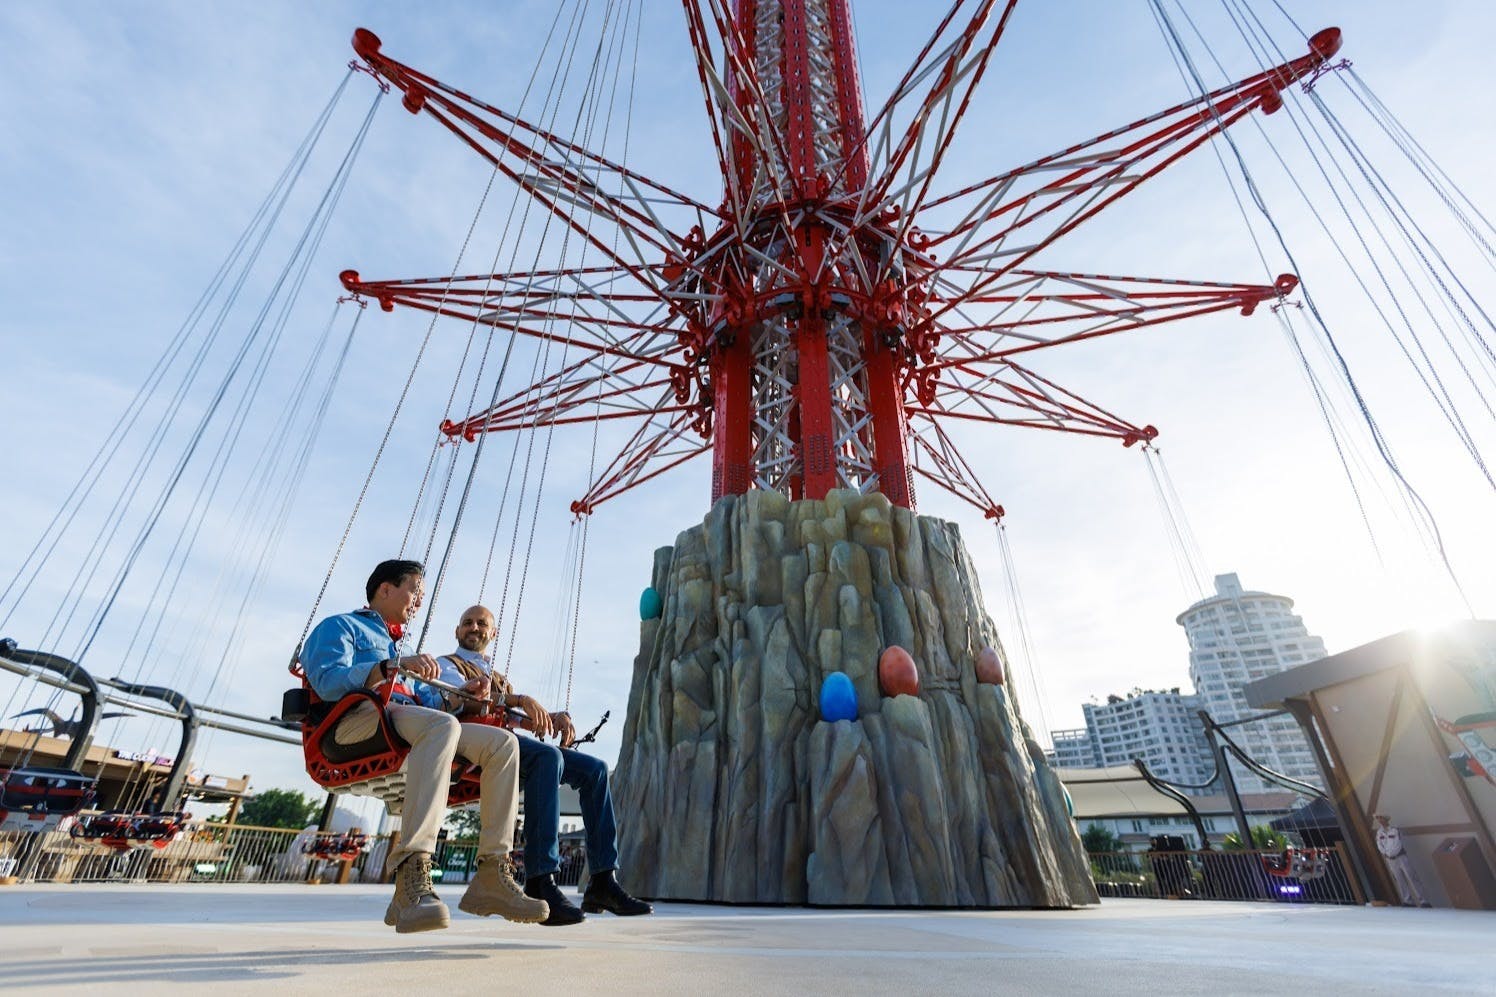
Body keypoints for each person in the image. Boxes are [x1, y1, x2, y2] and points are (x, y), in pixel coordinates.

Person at [300, 560, 549, 932]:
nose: (418, 601)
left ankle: (492, 874)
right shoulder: (340, 627)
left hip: (405, 722)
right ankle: (411, 873)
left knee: (502, 745)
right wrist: (383, 669)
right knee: (441, 727)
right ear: (385, 589)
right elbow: (326, 680)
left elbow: (428, 708)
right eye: (414, 590)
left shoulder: (403, 647)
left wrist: (459, 697)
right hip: (355, 722)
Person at [439, 603, 652, 926]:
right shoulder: (448, 665)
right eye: (467, 622)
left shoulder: (498, 678)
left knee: (594, 769)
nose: (474, 628)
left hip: (510, 744)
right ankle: (540, 879)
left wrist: (550, 719)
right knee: (547, 757)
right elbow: (459, 698)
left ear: (493, 633)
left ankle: (602, 880)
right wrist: (521, 699)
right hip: (475, 749)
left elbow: (511, 718)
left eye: (482, 623)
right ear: (457, 631)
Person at [1373, 813, 1431, 907]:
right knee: (1399, 880)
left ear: (1386, 819)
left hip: (1400, 856)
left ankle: (1423, 900)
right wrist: (1386, 854)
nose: (1380, 820)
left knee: (1412, 877)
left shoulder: (1395, 830)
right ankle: (1408, 900)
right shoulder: (1379, 833)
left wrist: (1393, 852)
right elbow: (1379, 845)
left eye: (1381, 818)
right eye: (1378, 818)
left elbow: (1397, 844)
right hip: (1390, 859)